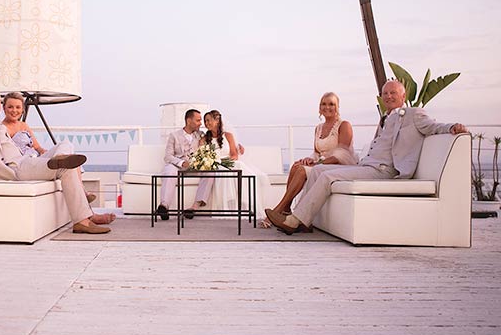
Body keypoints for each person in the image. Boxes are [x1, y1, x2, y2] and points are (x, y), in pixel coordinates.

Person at [265, 80, 469, 235]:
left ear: (403, 94)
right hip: (367, 165)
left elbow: (433, 126)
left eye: (393, 93)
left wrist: (452, 127)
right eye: (385, 93)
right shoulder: (385, 118)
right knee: (317, 170)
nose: (388, 96)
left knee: (327, 177)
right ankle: (303, 221)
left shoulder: (413, 114)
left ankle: (293, 221)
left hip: (383, 170)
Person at [0, 89, 112, 234]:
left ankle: (61, 164)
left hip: (26, 161)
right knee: (67, 167)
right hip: (16, 168)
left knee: (66, 145)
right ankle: (82, 220)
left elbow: (36, 147)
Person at [0, 92, 106, 219]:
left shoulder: (23, 125)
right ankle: (84, 198)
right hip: (24, 163)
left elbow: (38, 147)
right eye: (10, 107)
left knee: (66, 145)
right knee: (68, 163)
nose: (14, 110)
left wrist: (49, 153)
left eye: (18, 107)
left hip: (37, 159)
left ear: (22, 109)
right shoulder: (1, 128)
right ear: (4, 108)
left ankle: (61, 157)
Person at [263, 92, 357, 229]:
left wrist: (318, 163)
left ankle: (278, 209)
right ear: (320, 108)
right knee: (296, 166)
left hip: (338, 166)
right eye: (324, 104)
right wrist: (309, 159)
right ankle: (287, 209)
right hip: (323, 163)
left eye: (331, 104)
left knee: (301, 170)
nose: (327, 107)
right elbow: (317, 152)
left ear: (337, 107)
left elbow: (342, 154)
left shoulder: (344, 125)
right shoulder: (318, 128)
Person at [190, 110, 269, 219]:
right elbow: (202, 156)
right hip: (214, 165)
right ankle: (227, 204)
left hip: (228, 162)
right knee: (223, 171)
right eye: (205, 121)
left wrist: (225, 161)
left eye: (209, 120)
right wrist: (215, 162)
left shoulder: (228, 136)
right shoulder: (203, 139)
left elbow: (234, 155)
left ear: (217, 120)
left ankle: (244, 205)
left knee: (238, 166)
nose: (206, 123)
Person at [155, 108, 209, 220]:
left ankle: (194, 208)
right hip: (178, 167)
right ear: (189, 121)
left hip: (195, 168)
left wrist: (237, 146)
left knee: (210, 172)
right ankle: (164, 206)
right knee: (169, 169)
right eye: (198, 120)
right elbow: (168, 156)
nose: (201, 123)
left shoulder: (201, 135)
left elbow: (216, 139)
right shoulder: (174, 135)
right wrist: (181, 163)